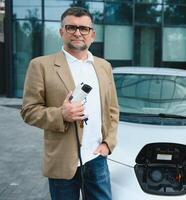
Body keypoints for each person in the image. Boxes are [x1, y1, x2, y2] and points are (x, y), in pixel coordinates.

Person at [21, 7, 119, 200]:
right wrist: (61, 115)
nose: (77, 33)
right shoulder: (40, 65)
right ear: (61, 32)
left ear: (92, 34)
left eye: (83, 28)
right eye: (71, 27)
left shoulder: (104, 66)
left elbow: (112, 109)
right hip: (62, 160)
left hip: (96, 157)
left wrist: (108, 143)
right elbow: (28, 111)